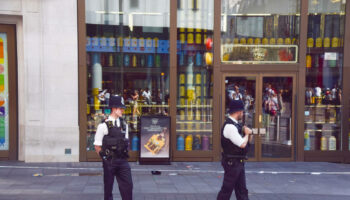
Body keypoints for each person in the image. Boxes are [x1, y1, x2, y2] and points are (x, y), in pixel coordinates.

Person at [94, 95, 133, 200]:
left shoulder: (124, 125)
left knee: (128, 187)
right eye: (120, 108)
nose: (122, 110)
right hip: (109, 162)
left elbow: (126, 142)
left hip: (122, 161)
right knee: (108, 190)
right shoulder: (103, 126)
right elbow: (97, 146)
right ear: (114, 108)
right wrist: (105, 159)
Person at [217, 100, 253, 200]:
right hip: (232, 163)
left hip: (238, 162)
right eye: (242, 112)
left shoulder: (236, 125)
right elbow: (242, 144)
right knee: (226, 190)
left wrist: (248, 134)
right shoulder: (230, 126)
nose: (243, 114)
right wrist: (247, 134)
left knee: (242, 191)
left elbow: (246, 143)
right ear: (238, 111)